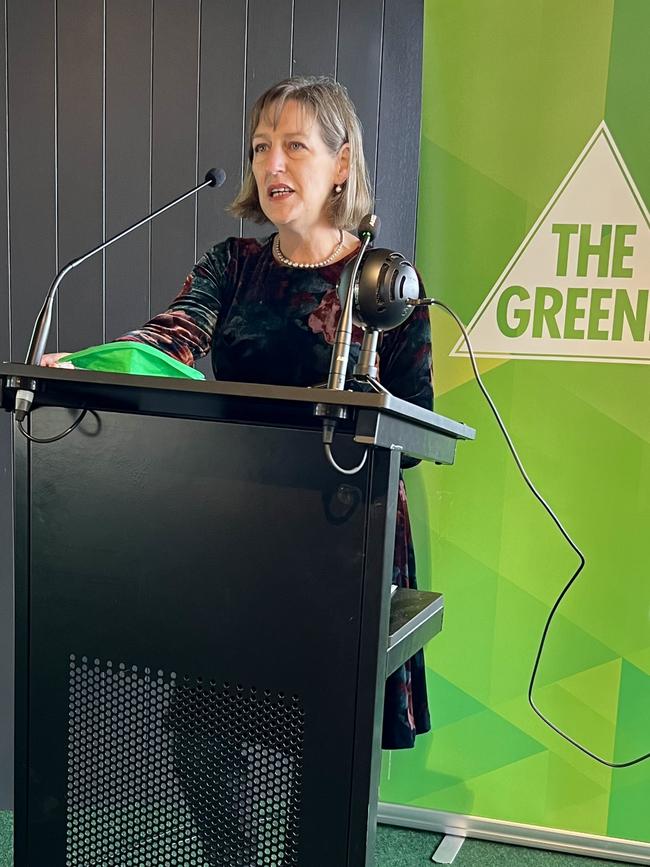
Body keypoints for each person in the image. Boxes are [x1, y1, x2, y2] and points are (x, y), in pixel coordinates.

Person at [42, 75, 433, 750]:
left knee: (324, 760)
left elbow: (419, 422)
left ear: (342, 163)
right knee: (201, 741)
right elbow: (175, 334)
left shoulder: (385, 284)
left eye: (294, 145)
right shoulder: (233, 264)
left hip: (345, 538)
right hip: (244, 530)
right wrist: (98, 364)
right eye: (260, 147)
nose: (271, 164)